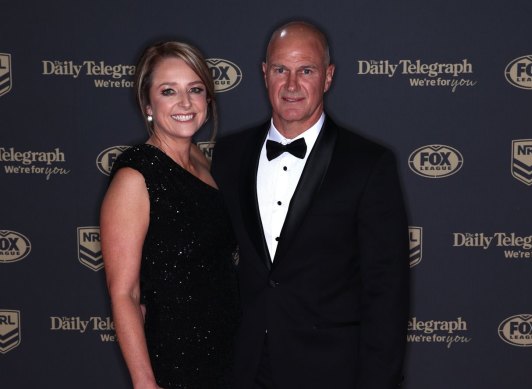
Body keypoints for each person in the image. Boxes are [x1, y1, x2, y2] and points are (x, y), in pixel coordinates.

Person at [212, 21, 409, 389]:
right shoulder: (227, 156)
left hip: (331, 371)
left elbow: (387, 292)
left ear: (328, 76)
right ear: (264, 73)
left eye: (306, 70)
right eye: (280, 69)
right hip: (242, 369)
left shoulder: (368, 164)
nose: (291, 85)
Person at [101, 41, 239, 389]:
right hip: (176, 364)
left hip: (230, 354)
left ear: (208, 99)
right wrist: (145, 383)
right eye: (168, 91)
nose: (184, 103)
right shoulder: (136, 176)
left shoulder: (206, 165)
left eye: (195, 89)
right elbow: (125, 294)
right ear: (148, 104)